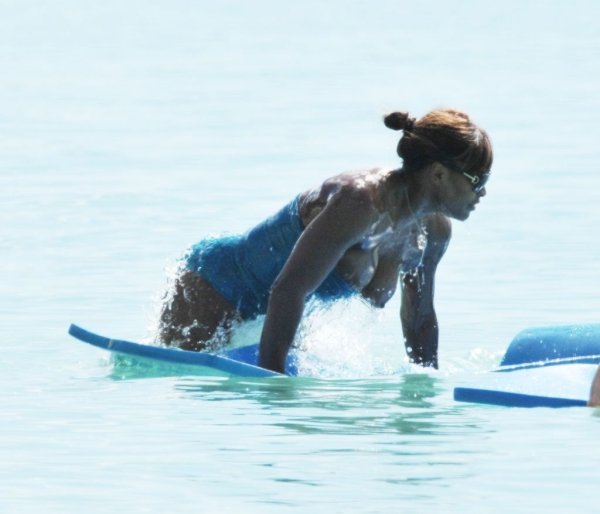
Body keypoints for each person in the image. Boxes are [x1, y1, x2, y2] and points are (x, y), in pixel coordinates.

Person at [157, 108, 493, 373]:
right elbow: (288, 290)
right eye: (478, 179)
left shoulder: (433, 233)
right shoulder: (360, 202)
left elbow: (419, 321)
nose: (483, 192)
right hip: (217, 289)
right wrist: (275, 390)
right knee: (179, 384)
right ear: (438, 174)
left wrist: (427, 399)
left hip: (275, 320)